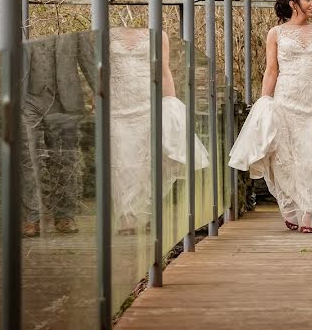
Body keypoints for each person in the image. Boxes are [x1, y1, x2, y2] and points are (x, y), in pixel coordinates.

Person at [229, 0, 312, 233]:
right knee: (284, 157)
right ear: (293, 3)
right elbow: (271, 70)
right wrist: (265, 102)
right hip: (286, 101)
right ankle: (289, 207)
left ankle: (308, 213)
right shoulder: (276, 33)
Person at [109, 26, 209, 235]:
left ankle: (146, 214)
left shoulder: (158, 35)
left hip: (148, 104)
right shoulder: (108, 34)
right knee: (123, 163)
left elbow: (163, 71)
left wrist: (171, 103)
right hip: (118, 106)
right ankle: (126, 218)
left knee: (147, 163)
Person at [21, 32, 96, 238]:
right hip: (27, 100)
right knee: (28, 158)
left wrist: (99, 91)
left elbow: (88, 58)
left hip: (64, 101)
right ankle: (31, 219)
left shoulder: (68, 23)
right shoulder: (20, 18)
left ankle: (65, 215)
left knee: (65, 159)